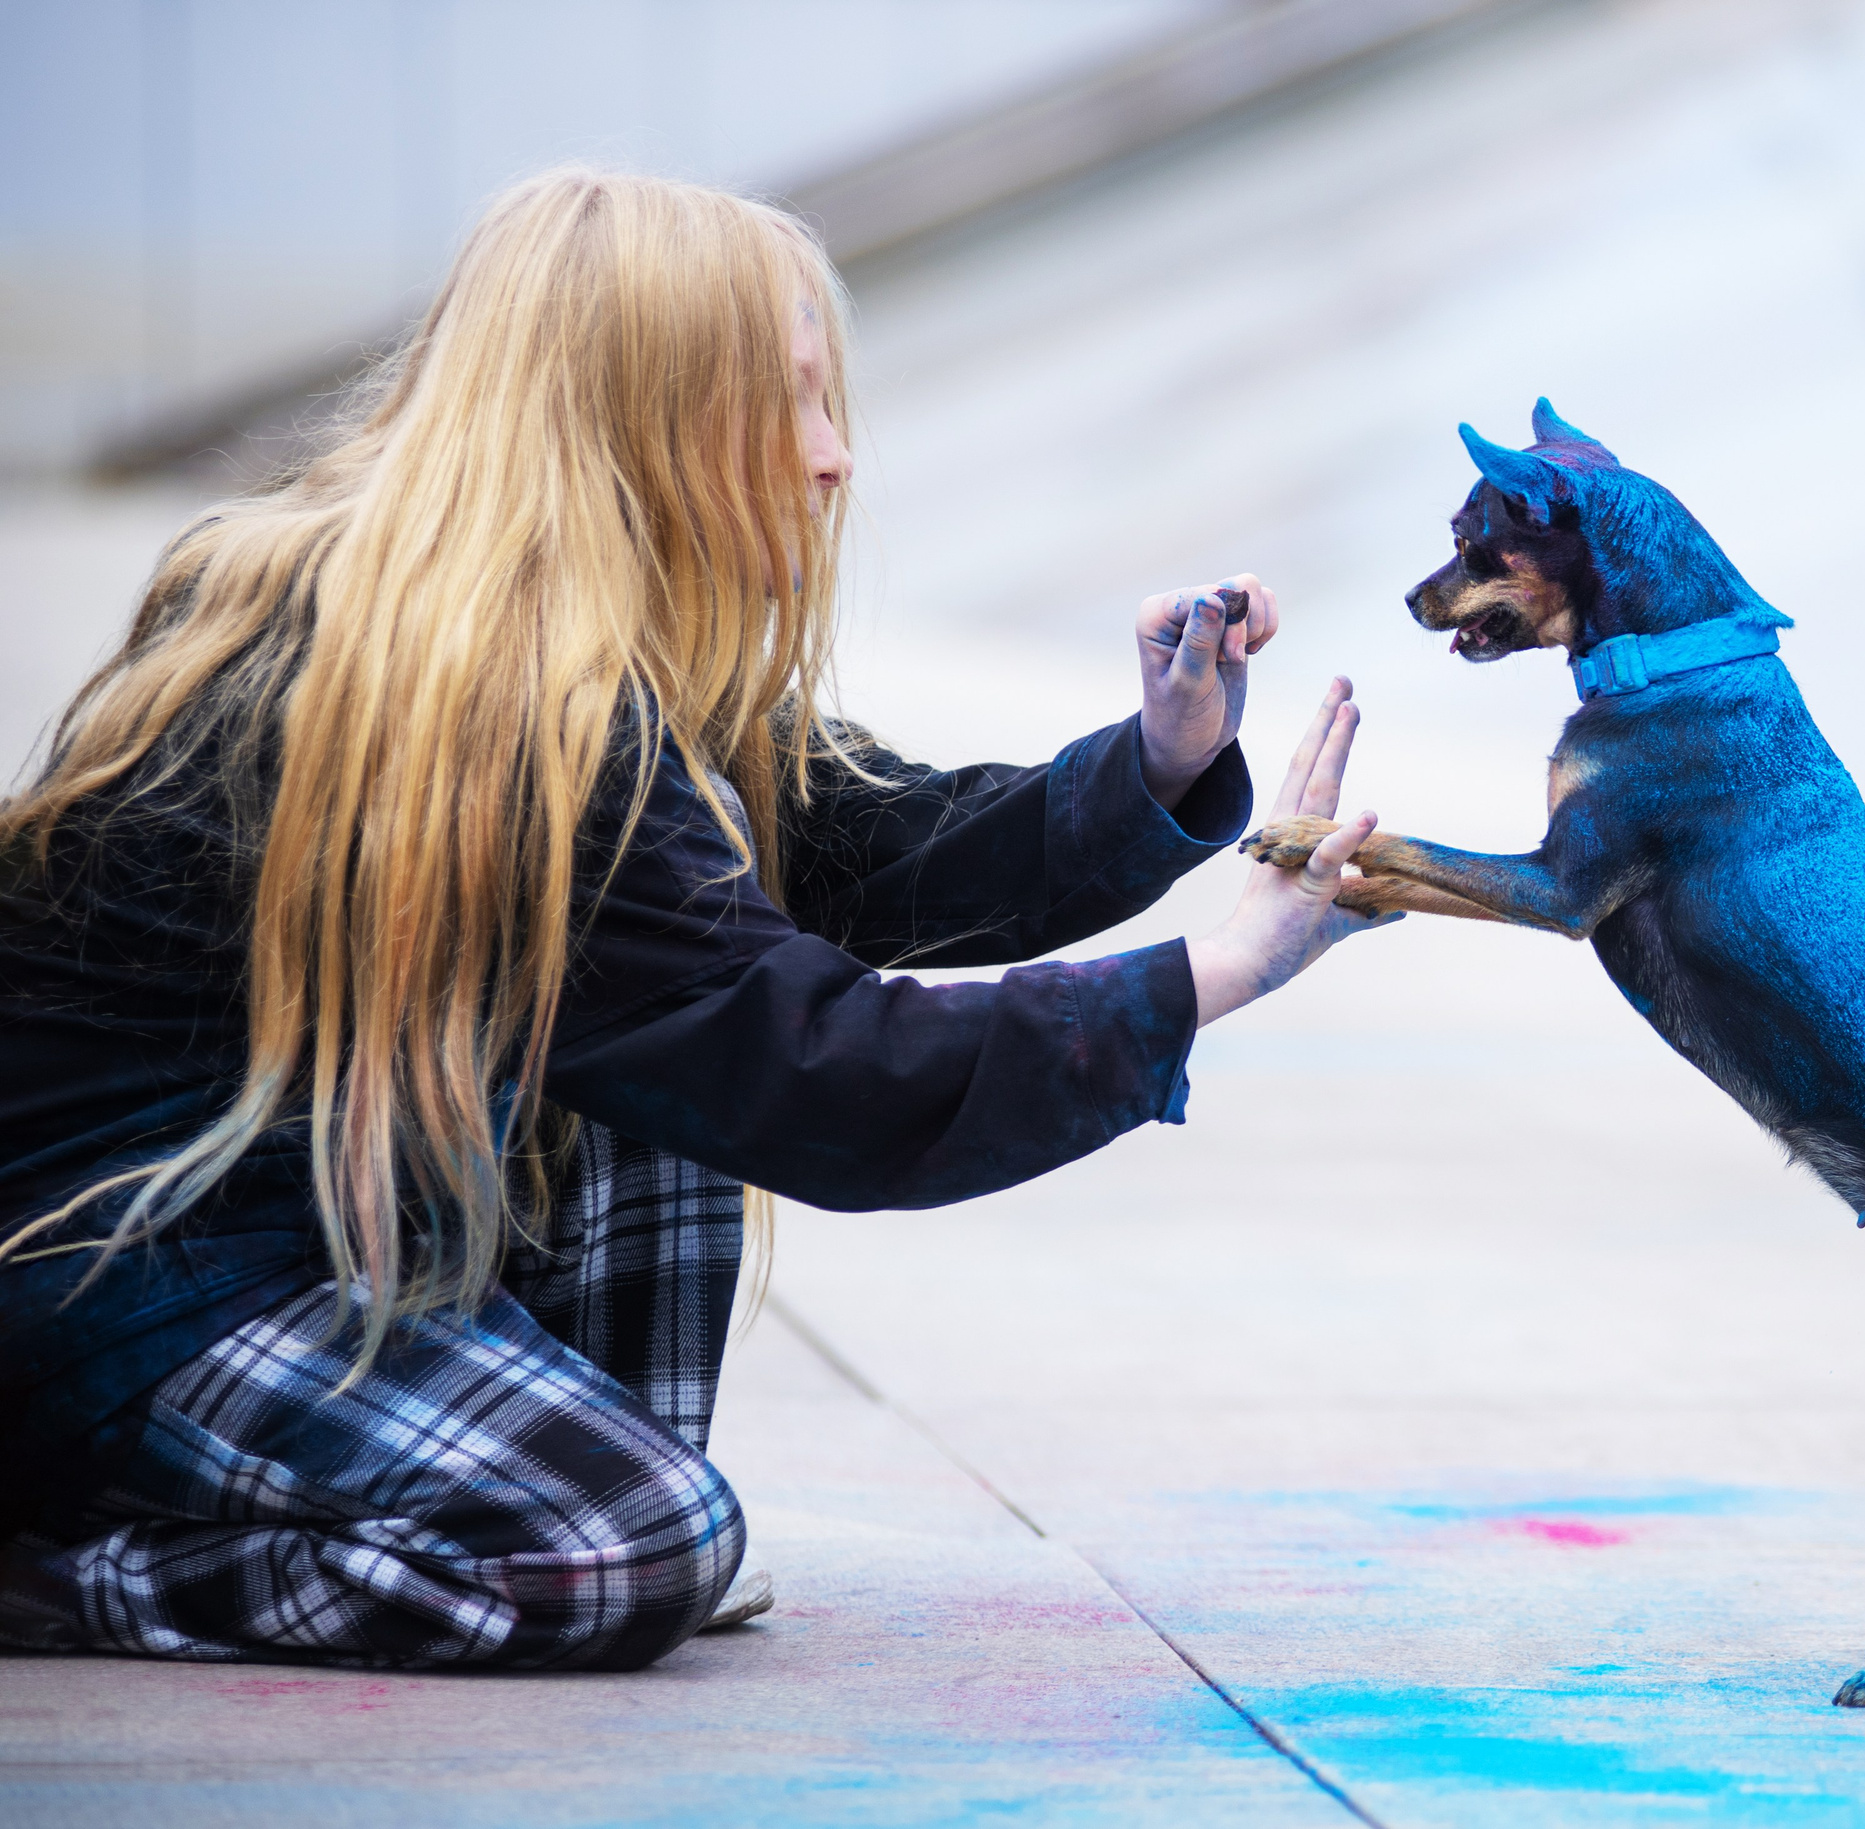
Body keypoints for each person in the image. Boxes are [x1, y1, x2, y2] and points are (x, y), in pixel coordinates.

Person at [0, 168, 1389, 1671]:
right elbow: (818, 1072)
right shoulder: (480, 700)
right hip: (104, 1283)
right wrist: (1217, 970)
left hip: (288, 1226)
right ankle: (61, 1569)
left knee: (666, 1030)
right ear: (641, 417)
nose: (835, 455)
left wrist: (1159, 764)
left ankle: (519, 1480)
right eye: (789, 400)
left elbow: (858, 851)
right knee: (625, 1544)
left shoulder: (537, 642)